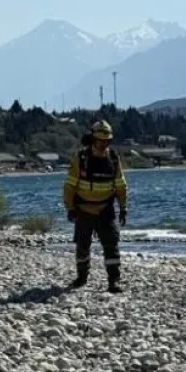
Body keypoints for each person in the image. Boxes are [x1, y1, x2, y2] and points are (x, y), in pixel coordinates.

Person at [63, 119, 128, 292]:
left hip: (106, 209)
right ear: (93, 139)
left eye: (107, 141)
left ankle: (114, 281)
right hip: (83, 209)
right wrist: (69, 207)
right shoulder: (81, 158)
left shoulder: (113, 158)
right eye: (101, 140)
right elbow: (70, 186)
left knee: (111, 245)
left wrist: (123, 208)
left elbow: (120, 185)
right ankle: (82, 277)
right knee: (82, 246)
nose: (104, 144)